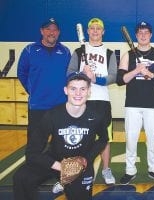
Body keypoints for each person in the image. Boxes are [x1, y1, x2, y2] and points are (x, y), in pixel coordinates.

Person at [13, 72, 111, 200]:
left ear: (89, 92)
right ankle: (61, 178)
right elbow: (32, 152)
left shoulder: (96, 116)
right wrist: (62, 167)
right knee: (22, 177)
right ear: (66, 90)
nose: (78, 93)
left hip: (80, 163)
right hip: (55, 160)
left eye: (83, 89)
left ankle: (69, 182)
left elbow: (103, 139)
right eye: (73, 89)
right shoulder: (52, 115)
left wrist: (86, 160)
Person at [117, 21, 154, 184]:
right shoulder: (128, 55)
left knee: (153, 139)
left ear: (151, 35)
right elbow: (121, 80)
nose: (143, 35)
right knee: (131, 139)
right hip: (132, 104)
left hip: (152, 105)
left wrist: (151, 74)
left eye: (146, 32)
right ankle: (130, 170)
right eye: (140, 32)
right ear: (136, 35)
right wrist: (136, 70)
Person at [67, 17, 117, 185]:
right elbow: (69, 73)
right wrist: (82, 75)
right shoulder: (79, 52)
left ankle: (106, 169)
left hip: (102, 100)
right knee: (79, 136)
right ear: (87, 32)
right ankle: (75, 169)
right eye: (92, 28)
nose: (95, 31)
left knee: (105, 138)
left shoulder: (109, 53)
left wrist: (95, 79)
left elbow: (114, 76)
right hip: (81, 100)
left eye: (98, 28)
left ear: (103, 32)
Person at [17, 18, 71, 155]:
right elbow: (22, 73)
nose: (51, 32)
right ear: (42, 31)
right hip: (38, 106)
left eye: (54, 29)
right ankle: (33, 171)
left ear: (58, 32)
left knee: (60, 143)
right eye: (48, 29)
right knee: (35, 143)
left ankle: (59, 171)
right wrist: (32, 90)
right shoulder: (29, 50)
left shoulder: (65, 52)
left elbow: (70, 76)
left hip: (60, 106)